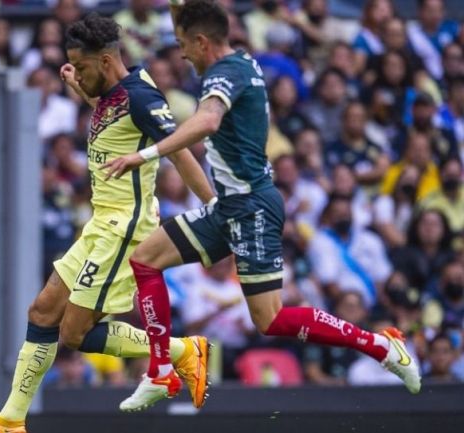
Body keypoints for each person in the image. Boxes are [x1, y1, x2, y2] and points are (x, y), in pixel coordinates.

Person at [102, 0, 421, 411]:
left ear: (202, 42)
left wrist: (143, 156)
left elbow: (208, 121)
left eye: (184, 44)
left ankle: (381, 345)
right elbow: (203, 50)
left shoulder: (225, 73)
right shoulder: (239, 61)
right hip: (228, 206)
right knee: (145, 261)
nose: (180, 53)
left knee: (269, 320)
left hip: (251, 206)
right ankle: (161, 369)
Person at [0, 13, 215, 433]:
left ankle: (181, 351)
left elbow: (180, 152)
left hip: (124, 230)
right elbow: (114, 123)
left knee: (74, 334)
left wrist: (214, 205)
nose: (79, 75)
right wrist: (79, 88)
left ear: (106, 62)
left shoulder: (142, 97)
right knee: (43, 310)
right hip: (100, 224)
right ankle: (10, 422)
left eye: (82, 68)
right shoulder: (112, 93)